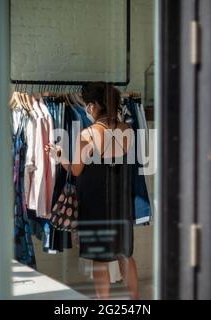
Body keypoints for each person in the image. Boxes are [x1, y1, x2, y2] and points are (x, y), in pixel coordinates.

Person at [45, 82, 140, 300]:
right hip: (121, 201)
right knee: (125, 254)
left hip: (95, 204)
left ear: (93, 106)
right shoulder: (127, 130)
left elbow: (76, 170)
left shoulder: (88, 134)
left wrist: (59, 156)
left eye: (88, 105)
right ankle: (136, 301)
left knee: (100, 258)